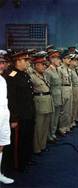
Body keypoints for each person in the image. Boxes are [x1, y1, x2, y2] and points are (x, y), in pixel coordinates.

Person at [6, 50, 35, 171]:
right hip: (20, 116)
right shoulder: (12, 76)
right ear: (18, 61)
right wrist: (13, 118)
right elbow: (11, 100)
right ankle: (18, 164)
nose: (28, 63)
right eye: (25, 60)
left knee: (28, 138)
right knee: (19, 141)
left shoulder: (24, 74)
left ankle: (26, 159)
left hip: (28, 113)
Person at [0, 56, 14, 184]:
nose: (2, 66)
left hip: (3, 116)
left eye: (3, 63)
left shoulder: (2, 80)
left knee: (2, 144)